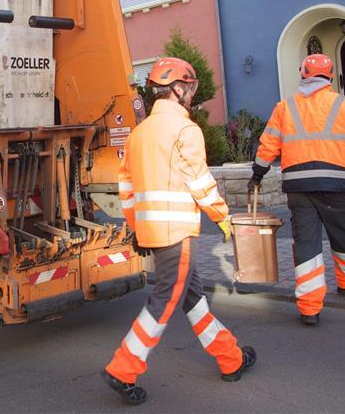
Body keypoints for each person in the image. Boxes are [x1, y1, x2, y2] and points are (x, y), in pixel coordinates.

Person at [102, 57, 255, 406]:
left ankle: (230, 357)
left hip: (153, 232)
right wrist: (223, 216)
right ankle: (123, 368)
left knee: (193, 297)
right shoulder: (186, 131)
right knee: (166, 300)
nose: (190, 95)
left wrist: (137, 227)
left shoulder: (139, 134)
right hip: (177, 232)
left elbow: (125, 188)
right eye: (188, 88)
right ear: (177, 90)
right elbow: (199, 182)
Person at [250, 53, 345, 326]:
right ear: (329, 76)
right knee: (342, 235)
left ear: (303, 74)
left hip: (299, 188)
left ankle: (309, 307)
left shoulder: (285, 107)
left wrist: (257, 174)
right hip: (337, 185)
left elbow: (268, 147)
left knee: (306, 243)